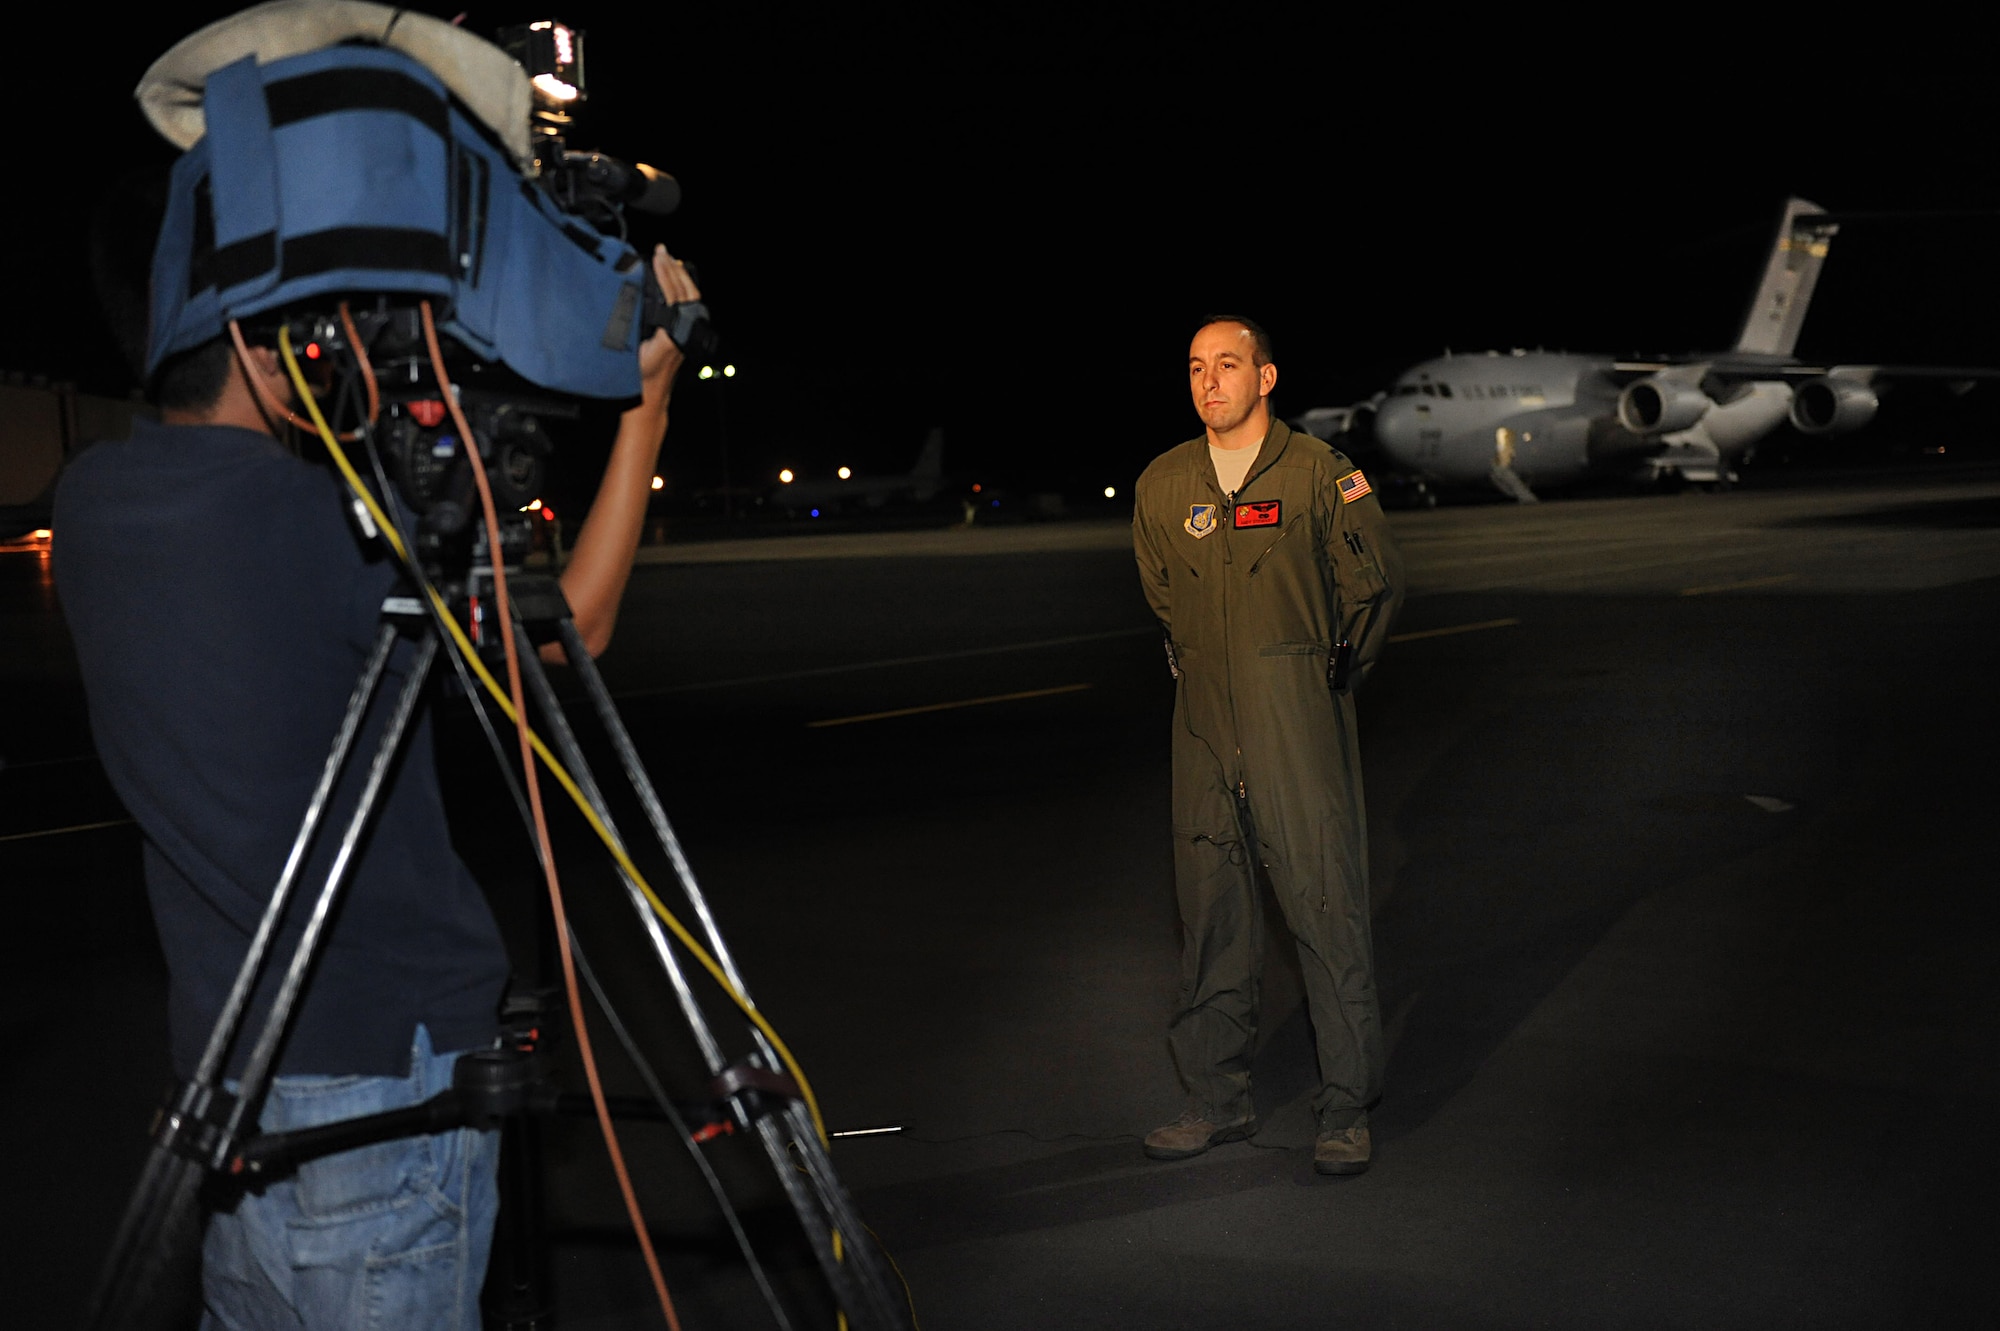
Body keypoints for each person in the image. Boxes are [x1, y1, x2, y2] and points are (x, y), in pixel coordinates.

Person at [55, 222, 700, 1325]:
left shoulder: (92, 502)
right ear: (259, 342)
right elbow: (572, 627)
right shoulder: (317, 520)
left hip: (229, 1081)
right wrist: (645, 404)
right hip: (384, 1080)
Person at [1132, 316, 1403, 1175]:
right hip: (1204, 728)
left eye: (1228, 365)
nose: (1210, 381)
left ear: (1267, 375)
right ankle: (1216, 1100)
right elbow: (1165, 595)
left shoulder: (1321, 473)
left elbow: (1376, 586)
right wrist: (1219, 667)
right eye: (1196, 368)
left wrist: (1313, 680)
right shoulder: (1164, 483)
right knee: (1211, 912)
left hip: (1296, 723)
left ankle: (1346, 1108)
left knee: (1325, 906)